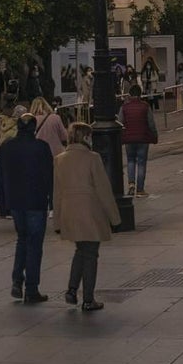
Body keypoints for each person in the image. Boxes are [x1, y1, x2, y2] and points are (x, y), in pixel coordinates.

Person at [54, 122, 121, 312]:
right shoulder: (92, 158)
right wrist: (114, 218)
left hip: (70, 212)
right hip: (90, 212)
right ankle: (88, 299)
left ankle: (72, 289)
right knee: (91, 254)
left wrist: (57, 220)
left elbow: (57, 192)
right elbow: (103, 190)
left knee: (80, 250)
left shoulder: (60, 159)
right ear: (85, 137)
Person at [0, 113, 53, 303]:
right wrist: (53, 201)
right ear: (34, 128)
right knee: (35, 244)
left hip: (16, 203)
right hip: (36, 201)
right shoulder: (41, 147)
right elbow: (50, 176)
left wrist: (3, 205)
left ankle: (17, 281)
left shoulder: (7, 147)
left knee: (22, 239)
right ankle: (31, 288)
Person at [119, 85, 157, 198]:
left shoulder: (124, 107)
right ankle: (140, 189)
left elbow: (120, 123)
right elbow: (151, 123)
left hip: (129, 139)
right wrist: (154, 136)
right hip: (143, 138)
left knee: (130, 161)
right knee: (141, 162)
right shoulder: (145, 106)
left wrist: (122, 137)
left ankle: (131, 184)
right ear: (140, 94)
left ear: (129, 95)